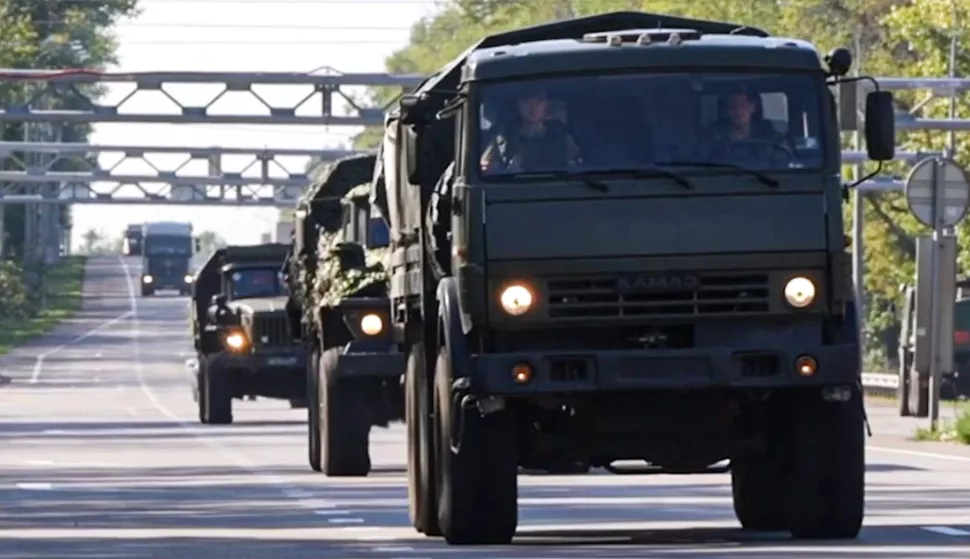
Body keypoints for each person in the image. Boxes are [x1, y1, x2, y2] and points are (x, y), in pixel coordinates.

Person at [480, 84, 580, 173]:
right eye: (527, 102)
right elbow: (486, 167)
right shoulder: (504, 136)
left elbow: (577, 164)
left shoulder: (560, 134)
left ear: (546, 104)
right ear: (518, 104)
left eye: (539, 101)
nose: (533, 107)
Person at [707, 86, 790, 162]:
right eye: (733, 107)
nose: (738, 111)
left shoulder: (771, 139)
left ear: (753, 108)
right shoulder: (712, 139)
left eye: (742, 106)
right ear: (727, 111)